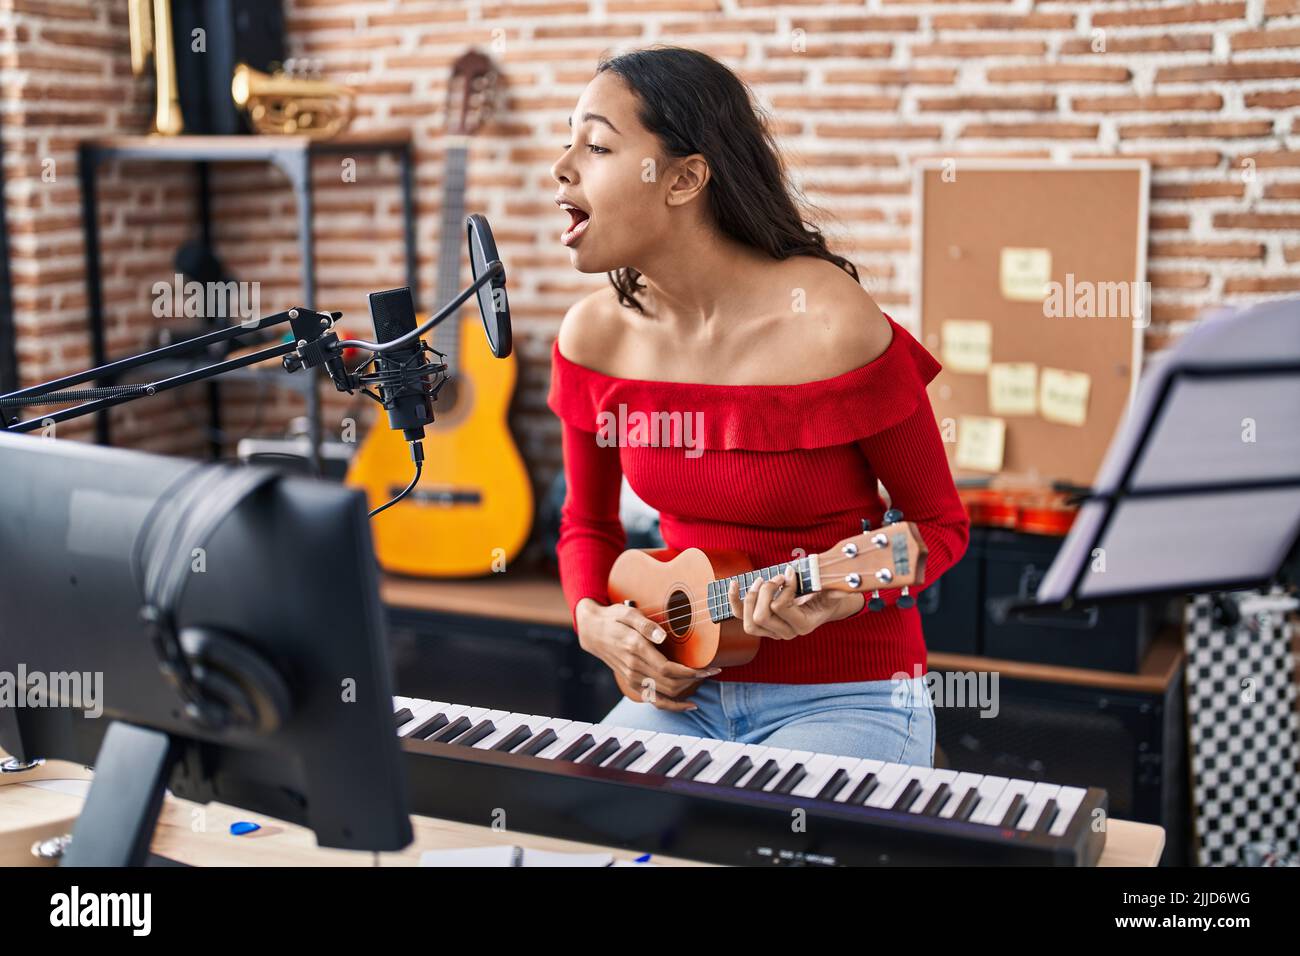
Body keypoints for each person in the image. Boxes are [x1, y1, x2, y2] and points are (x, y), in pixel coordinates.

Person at [545, 46, 969, 767]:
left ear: (683, 179)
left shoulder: (831, 320)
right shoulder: (594, 336)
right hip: (680, 696)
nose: (562, 167)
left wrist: (848, 597)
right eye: (568, 141)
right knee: (575, 829)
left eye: (597, 145)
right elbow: (587, 524)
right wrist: (593, 621)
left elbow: (938, 524)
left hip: (847, 694)